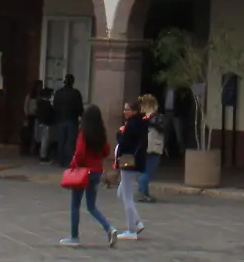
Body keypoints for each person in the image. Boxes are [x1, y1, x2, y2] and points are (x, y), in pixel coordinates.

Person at [59, 104, 117, 248]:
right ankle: (109, 228)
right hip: (96, 172)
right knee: (91, 206)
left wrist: (74, 164)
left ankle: (74, 236)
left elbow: (79, 153)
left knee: (75, 204)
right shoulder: (100, 134)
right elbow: (106, 151)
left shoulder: (84, 133)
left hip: (83, 172)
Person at [113, 101, 148, 240]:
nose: (125, 112)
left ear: (134, 111)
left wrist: (120, 135)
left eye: (127, 109)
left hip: (129, 161)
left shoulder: (133, 124)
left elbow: (125, 142)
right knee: (121, 192)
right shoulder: (140, 123)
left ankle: (131, 230)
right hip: (136, 161)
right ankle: (137, 222)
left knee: (127, 197)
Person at [138, 95, 165, 203]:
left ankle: (145, 192)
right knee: (148, 171)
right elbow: (163, 127)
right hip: (153, 146)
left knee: (144, 170)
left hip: (142, 146)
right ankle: (142, 193)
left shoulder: (140, 117)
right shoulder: (154, 117)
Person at [51, 74, 83, 166]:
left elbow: (55, 106)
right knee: (70, 141)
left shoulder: (58, 93)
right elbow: (79, 107)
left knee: (61, 141)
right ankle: (69, 161)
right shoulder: (75, 93)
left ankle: (61, 160)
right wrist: (81, 116)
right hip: (72, 119)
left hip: (60, 119)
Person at [34, 84, 56, 162]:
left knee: (42, 140)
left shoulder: (39, 102)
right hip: (46, 123)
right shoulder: (46, 104)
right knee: (45, 140)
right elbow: (49, 113)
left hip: (40, 122)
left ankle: (42, 155)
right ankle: (43, 157)